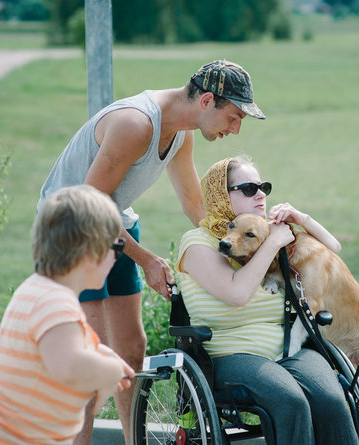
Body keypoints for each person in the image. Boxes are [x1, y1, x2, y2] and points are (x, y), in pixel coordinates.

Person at [36, 60, 265, 443]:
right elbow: (88, 204)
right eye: (234, 116)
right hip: (71, 228)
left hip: (116, 224)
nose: (235, 128)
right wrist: (146, 259)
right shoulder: (136, 124)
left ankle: (132, 440)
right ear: (207, 100)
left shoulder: (181, 133)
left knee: (131, 349)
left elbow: (195, 205)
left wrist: (238, 246)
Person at [175, 157, 359, 445]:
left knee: (332, 399)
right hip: (229, 354)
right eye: (249, 188)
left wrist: (300, 219)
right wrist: (272, 242)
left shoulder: (266, 235)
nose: (261, 194)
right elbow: (237, 294)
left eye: (263, 187)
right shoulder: (198, 243)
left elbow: (332, 250)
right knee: (290, 400)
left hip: (287, 348)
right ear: (221, 195)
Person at [0, 185, 135, 445]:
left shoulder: (41, 292)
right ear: (90, 253)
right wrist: (108, 370)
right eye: (116, 246)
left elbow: (59, 357)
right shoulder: (54, 301)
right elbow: (69, 367)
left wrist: (99, 360)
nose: (116, 257)